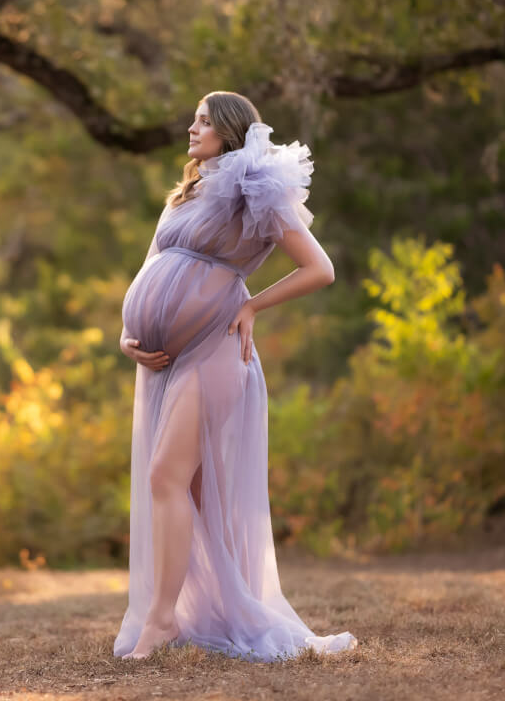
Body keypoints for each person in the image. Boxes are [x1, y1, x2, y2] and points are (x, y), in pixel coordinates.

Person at [113, 91, 359, 662]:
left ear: (228, 130)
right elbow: (151, 267)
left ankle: (161, 620)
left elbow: (318, 268)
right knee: (187, 489)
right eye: (194, 119)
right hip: (162, 359)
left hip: (215, 347)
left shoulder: (256, 191)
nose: (191, 128)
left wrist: (251, 308)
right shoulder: (185, 192)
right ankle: (201, 610)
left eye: (203, 121)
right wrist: (128, 335)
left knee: (165, 476)